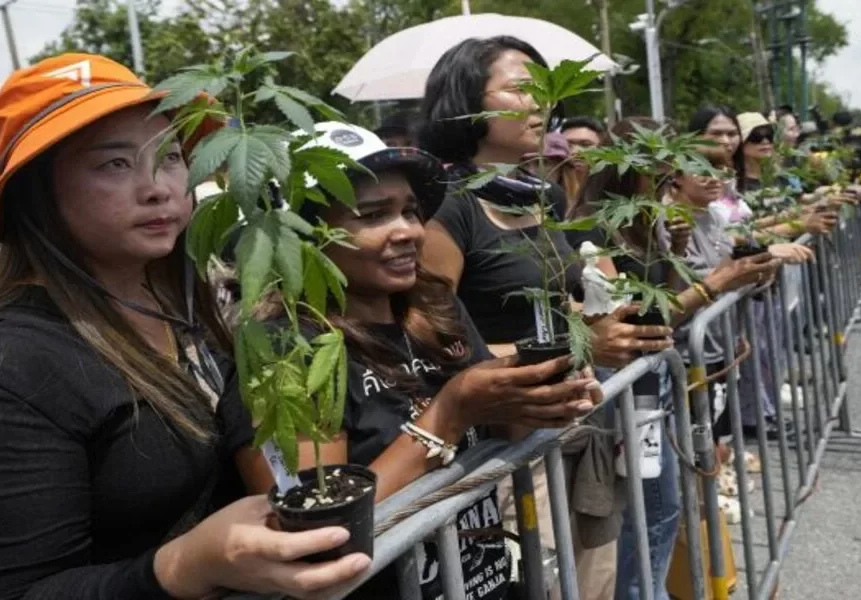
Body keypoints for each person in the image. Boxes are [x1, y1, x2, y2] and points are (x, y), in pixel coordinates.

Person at [0, 53, 371, 600]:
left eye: (172, 156)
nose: (159, 187)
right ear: (36, 193)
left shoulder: (176, 307)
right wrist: (181, 567)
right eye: (114, 164)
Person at [228, 122, 600, 600]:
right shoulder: (283, 351)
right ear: (302, 236)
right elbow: (314, 536)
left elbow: (502, 434)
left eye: (410, 210)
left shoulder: (436, 309)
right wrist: (448, 412)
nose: (408, 231)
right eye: (373, 215)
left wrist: (544, 399)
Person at [417, 35, 673, 600]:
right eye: (521, 89)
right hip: (504, 450)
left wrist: (608, 319)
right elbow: (435, 345)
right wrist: (582, 347)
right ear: (467, 103)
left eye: (547, 91)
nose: (542, 104)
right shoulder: (448, 205)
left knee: (595, 584)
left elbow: (561, 307)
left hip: (570, 432)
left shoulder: (543, 198)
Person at [572, 118, 778, 600]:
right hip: (623, 387)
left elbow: (662, 303)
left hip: (652, 381)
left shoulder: (648, 220)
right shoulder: (597, 226)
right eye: (661, 164)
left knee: (658, 505)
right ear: (629, 164)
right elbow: (634, 318)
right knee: (648, 507)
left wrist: (676, 252)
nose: (671, 173)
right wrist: (717, 282)